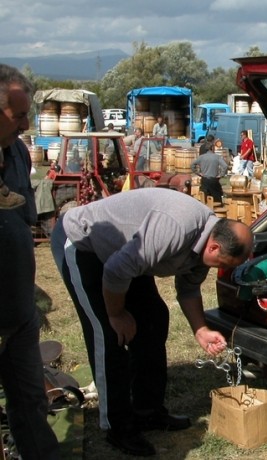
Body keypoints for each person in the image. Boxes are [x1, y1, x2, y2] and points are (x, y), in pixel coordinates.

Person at [50, 187, 253, 457]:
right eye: (221, 263)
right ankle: (118, 426)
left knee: (153, 319)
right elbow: (115, 270)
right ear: (214, 246)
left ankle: (148, 411)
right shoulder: (175, 227)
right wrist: (116, 313)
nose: (218, 268)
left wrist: (201, 330)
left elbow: (189, 289)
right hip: (84, 244)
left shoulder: (209, 241)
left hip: (128, 256)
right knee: (108, 334)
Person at [0, 63, 61, 459]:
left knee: (30, 400)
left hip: (19, 310)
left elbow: (23, 224)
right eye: (18, 115)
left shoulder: (19, 153)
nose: (26, 124)